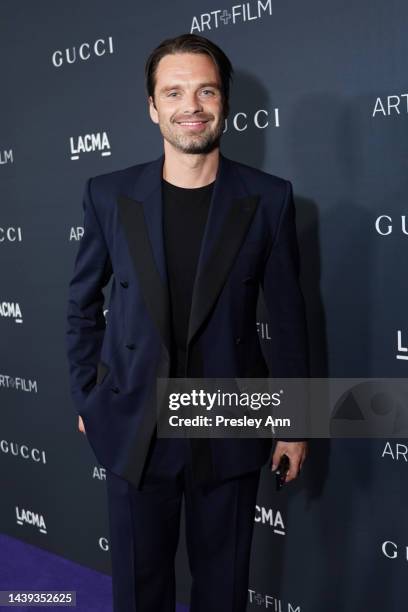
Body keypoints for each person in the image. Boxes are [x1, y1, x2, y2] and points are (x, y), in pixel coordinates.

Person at [65, 33, 309, 612]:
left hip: (228, 420)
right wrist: (88, 397)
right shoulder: (108, 195)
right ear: (153, 107)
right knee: (138, 590)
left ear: (224, 102)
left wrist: (296, 423)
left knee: (222, 591)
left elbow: (290, 317)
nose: (190, 106)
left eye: (205, 90)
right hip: (135, 423)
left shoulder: (268, 198)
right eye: (173, 92)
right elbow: (80, 303)